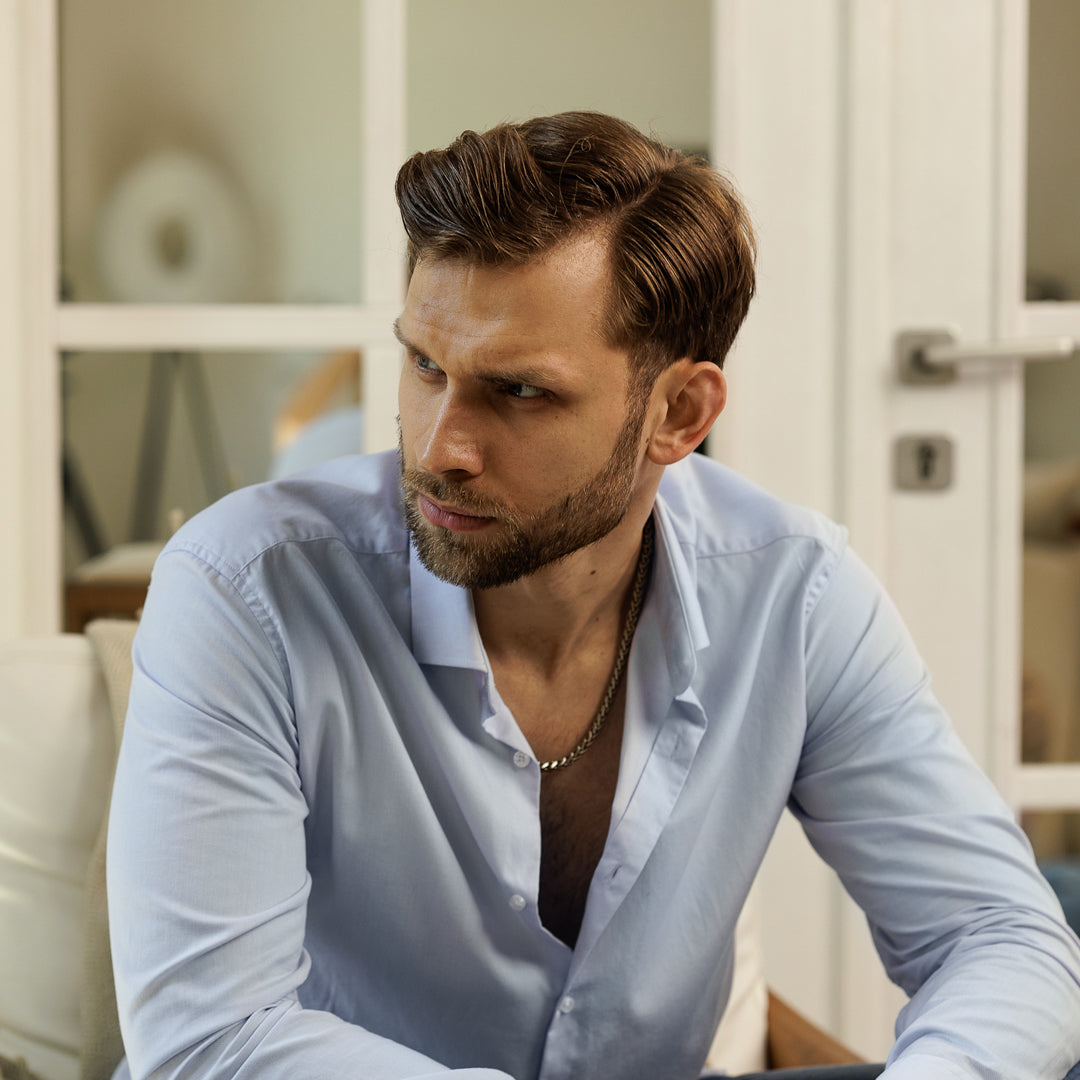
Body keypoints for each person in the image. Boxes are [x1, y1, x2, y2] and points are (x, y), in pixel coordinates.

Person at [106, 112, 1080, 1080]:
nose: (441, 447)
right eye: (425, 366)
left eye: (520, 392)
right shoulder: (245, 589)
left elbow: (1004, 938)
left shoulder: (794, 595)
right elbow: (212, 1042)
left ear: (679, 414)